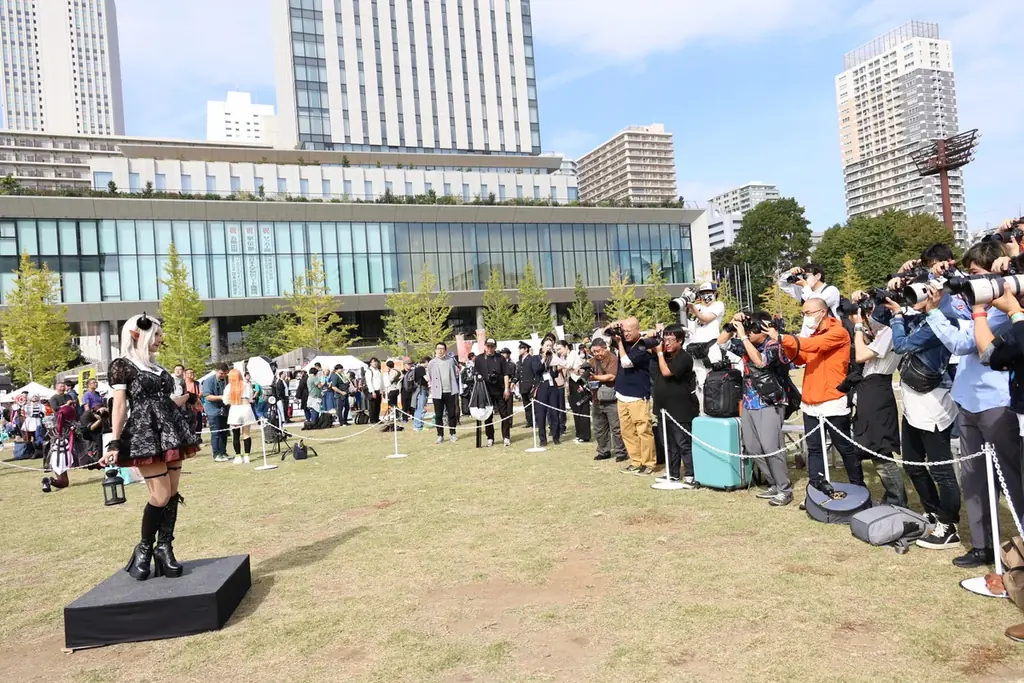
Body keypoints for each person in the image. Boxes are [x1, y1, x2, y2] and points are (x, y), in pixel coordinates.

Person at [922, 241, 1023, 568]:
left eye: (977, 274)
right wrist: (937, 293)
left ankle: (1020, 551)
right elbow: (959, 320)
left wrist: (933, 313)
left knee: (1012, 480)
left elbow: (965, 342)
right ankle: (983, 546)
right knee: (974, 479)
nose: (971, 281)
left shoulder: (1006, 310)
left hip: (998, 404)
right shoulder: (982, 307)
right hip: (968, 400)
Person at [99, 313, 202, 581]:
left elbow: (164, 402)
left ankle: (164, 548)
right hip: (145, 434)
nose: (160, 339)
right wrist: (114, 442)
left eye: (159, 334)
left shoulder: (157, 367)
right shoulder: (122, 365)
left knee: (172, 493)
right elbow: (119, 405)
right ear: (137, 334)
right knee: (161, 495)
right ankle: (144, 547)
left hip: (171, 430)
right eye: (155, 334)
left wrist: (187, 399)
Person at [875, 288, 962, 549]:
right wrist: (888, 297)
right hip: (913, 404)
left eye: (919, 292)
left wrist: (898, 317)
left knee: (941, 470)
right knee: (912, 464)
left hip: (932, 404)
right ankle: (932, 511)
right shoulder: (921, 317)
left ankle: (949, 526)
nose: (913, 298)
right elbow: (880, 316)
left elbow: (902, 344)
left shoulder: (942, 320)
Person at [778, 296, 866, 495]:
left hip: (833, 399)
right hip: (810, 401)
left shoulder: (838, 332)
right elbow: (800, 357)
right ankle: (816, 487)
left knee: (844, 447)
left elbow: (814, 345)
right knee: (814, 448)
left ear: (822, 312)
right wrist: (786, 343)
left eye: (808, 313)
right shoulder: (814, 334)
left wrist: (782, 338)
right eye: (803, 313)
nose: (805, 317)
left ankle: (858, 487)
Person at [717, 312, 794, 506]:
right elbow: (721, 342)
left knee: (770, 447)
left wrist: (743, 337)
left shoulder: (773, 345)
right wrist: (731, 325)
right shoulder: (746, 342)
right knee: (752, 447)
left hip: (770, 402)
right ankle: (772, 482)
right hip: (749, 402)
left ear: (764, 329)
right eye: (747, 328)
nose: (749, 332)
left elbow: (760, 361)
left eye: (752, 329)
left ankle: (784, 489)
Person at [651, 324, 699, 486]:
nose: (667, 343)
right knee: (668, 443)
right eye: (665, 339)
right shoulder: (664, 355)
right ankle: (672, 473)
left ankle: (690, 474)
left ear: (680, 340)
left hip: (681, 409)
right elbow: (646, 347)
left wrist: (659, 353)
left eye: (671, 340)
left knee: (683, 443)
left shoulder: (684, 357)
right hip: (663, 408)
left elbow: (667, 372)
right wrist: (654, 340)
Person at [613, 317, 656, 475]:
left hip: (638, 395)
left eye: (628, 331)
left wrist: (619, 343)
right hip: (622, 394)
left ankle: (649, 463)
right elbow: (604, 333)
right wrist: (613, 326)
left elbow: (626, 363)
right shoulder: (624, 341)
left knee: (643, 431)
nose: (625, 334)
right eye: (623, 331)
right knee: (627, 431)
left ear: (638, 329)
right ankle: (636, 461)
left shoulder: (643, 345)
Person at [684, 282, 726, 405]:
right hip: (696, 348)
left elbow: (706, 319)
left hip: (711, 347)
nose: (706, 295)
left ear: (715, 293)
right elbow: (685, 315)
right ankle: (702, 408)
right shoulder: (698, 306)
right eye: (703, 293)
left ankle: (714, 406)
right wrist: (684, 297)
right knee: (700, 381)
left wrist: (693, 308)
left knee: (712, 380)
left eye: (708, 292)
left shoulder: (718, 305)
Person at [588, 338, 628, 462]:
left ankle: (621, 452)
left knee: (616, 428)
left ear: (605, 348)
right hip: (596, 398)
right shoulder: (592, 361)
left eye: (598, 351)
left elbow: (611, 376)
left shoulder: (613, 359)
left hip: (611, 399)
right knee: (599, 428)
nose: (596, 354)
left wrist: (595, 377)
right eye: (594, 352)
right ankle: (603, 451)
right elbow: (584, 370)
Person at [474, 338, 513, 447]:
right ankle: (490, 437)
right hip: (486, 392)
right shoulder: (479, 358)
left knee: (504, 414)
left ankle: (506, 437)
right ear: (485, 346)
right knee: (488, 416)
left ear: (495, 347)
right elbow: (476, 375)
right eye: (488, 346)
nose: (490, 348)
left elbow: (506, 374)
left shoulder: (500, 358)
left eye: (492, 346)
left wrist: (506, 388)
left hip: (500, 390)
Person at [429, 342, 460, 444]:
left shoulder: (450, 361)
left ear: (445, 350)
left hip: (450, 391)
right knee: (438, 415)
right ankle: (440, 435)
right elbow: (430, 376)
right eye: (438, 348)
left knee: (451, 413)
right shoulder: (432, 363)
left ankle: (452, 433)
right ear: (435, 350)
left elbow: (455, 373)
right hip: (437, 392)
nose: (440, 350)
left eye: (442, 348)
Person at [222, 369, 255, 464]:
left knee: (235, 435)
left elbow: (225, 401)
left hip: (235, 409)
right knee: (246, 434)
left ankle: (238, 456)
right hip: (246, 408)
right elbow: (251, 397)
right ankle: (247, 456)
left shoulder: (228, 387)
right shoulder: (246, 385)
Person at [201, 363, 230, 462]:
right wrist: (222, 397)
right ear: (216, 371)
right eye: (221, 373)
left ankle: (223, 452)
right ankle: (216, 454)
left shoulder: (228, 380)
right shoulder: (208, 381)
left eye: (225, 373)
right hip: (213, 411)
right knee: (216, 433)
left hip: (225, 410)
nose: (223, 375)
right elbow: (208, 396)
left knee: (224, 432)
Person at [564, 342, 592, 444]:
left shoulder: (572, 354)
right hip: (572, 382)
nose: (559, 351)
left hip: (579, 383)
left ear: (566, 347)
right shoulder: (566, 356)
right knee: (575, 409)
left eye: (559, 349)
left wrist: (556, 360)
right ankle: (579, 434)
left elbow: (568, 365)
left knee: (582, 409)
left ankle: (585, 435)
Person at [517, 342, 537, 428]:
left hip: (530, 386)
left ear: (526, 349)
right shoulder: (520, 359)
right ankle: (529, 421)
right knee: (526, 405)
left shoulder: (531, 359)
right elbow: (519, 373)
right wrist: (514, 381)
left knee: (533, 405)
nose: (519, 350)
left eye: (521, 348)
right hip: (523, 386)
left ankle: (536, 421)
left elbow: (535, 373)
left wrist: (534, 385)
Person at [365, 358, 384, 424]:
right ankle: (372, 419)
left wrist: (382, 390)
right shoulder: (369, 371)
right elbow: (369, 382)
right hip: (373, 390)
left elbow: (381, 381)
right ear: (370, 363)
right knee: (373, 406)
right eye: (373, 362)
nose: (375, 363)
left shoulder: (378, 370)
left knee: (378, 405)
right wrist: (372, 391)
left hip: (379, 390)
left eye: (376, 362)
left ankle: (377, 418)